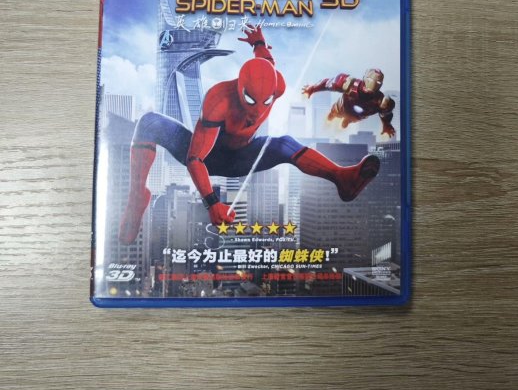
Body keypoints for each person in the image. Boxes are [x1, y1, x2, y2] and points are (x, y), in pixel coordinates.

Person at [119, 25, 380, 244]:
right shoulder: (218, 100)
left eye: (266, 101)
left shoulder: (277, 84)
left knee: (285, 144)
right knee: (149, 122)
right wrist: (212, 203)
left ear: (275, 91)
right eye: (250, 100)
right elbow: (195, 158)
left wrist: (258, 42)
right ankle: (136, 196)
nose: (257, 111)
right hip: (209, 157)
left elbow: (266, 60)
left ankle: (343, 178)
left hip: (243, 157)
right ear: (239, 88)